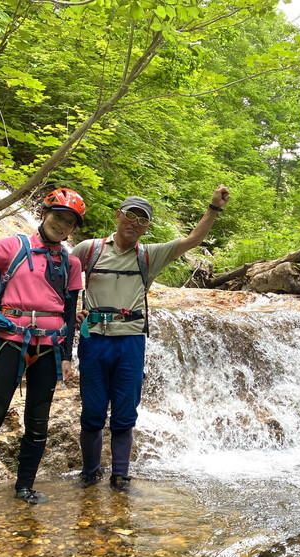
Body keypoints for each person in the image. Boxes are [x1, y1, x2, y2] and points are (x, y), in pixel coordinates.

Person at [71, 184, 230, 492]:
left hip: (131, 341)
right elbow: (64, 285)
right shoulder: (88, 250)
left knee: (125, 411)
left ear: (146, 227)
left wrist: (214, 208)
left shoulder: (150, 255)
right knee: (92, 410)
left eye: (142, 220)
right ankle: (89, 475)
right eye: (130, 215)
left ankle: (120, 476)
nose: (134, 223)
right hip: (94, 340)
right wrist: (70, 314)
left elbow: (193, 240)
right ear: (118, 216)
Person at [0, 189, 85, 518]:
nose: (61, 225)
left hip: (49, 347)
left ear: (73, 229)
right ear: (44, 214)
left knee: (38, 422)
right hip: (10, 340)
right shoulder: (13, 246)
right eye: (57, 217)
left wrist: (66, 354)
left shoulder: (71, 263)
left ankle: (24, 486)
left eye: (69, 222)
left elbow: (69, 314)